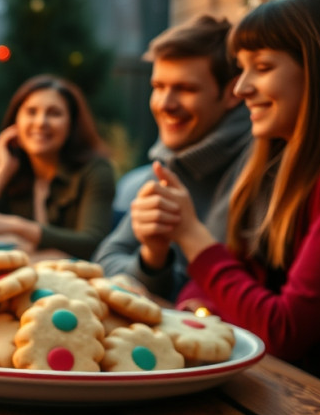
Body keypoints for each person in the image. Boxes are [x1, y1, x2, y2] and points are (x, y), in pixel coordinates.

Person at [141, 0, 320, 387]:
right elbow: (227, 278)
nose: (241, 88)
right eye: (241, 68)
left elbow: (283, 331)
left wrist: (192, 235)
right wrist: (197, 309)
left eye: (263, 67)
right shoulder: (278, 163)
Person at [93, 16, 251, 300]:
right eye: (159, 86)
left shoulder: (258, 165)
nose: (165, 104)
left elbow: (235, 299)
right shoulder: (171, 160)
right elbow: (104, 264)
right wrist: (153, 257)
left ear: (232, 93)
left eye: (186, 89)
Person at [0, 75, 115, 259]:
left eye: (54, 113)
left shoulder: (96, 170)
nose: (41, 122)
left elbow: (92, 243)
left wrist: (16, 226)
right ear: (16, 121)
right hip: (22, 276)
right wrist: (2, 171)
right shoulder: (10, 167)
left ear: (72, 124)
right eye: (31, 112)